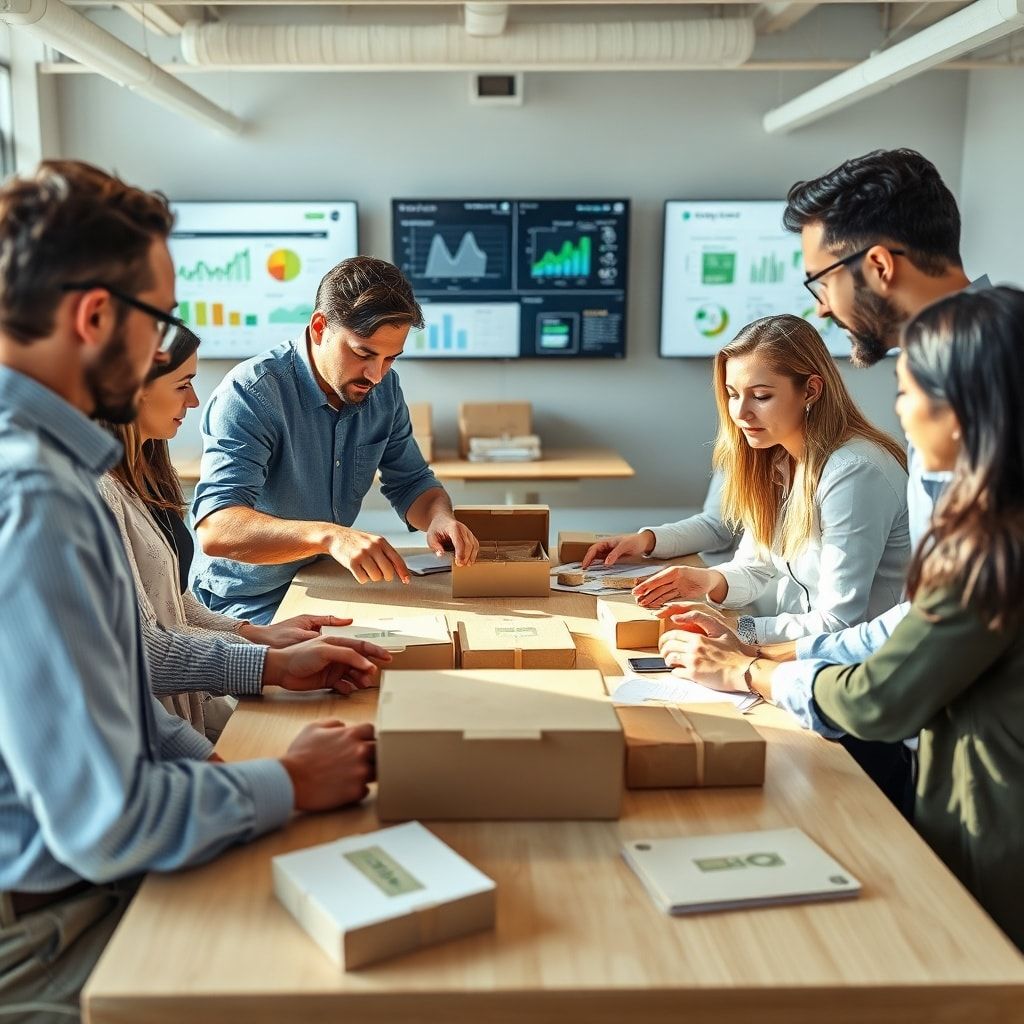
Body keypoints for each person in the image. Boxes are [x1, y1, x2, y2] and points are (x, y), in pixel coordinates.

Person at [0, 160, 389, 1021]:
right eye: (161, 319)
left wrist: (248, 762)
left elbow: (127, 675)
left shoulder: (58, 472)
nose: (166, 351)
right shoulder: (36, 495)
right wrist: (286, 784)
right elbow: (109, 821)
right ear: (96, 316)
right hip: (57, 928)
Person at [660, 288, 1024, 951]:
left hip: (989, 819)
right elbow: (890, 634)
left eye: (910, 394)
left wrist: (748, 669)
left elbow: (879, 691)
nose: (903, 416)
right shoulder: (987, 527)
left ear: (966, 410)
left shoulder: (987, 546)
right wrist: (750, 646)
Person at [98, 325, 366, 739]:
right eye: (183, 384)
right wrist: (268, 664)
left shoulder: (144, 469)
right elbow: (140, 649)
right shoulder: (97, 490)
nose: (194, 400)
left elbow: (168, 598)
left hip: (183, 706)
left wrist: (256, 634)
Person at [191, 256, 480, 624]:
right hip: (249, 603)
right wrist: (330, 537)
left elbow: (412, 483)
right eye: (363, 353)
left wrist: (439, 518)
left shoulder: (384, 388)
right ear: (318, 328)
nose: (376, 375)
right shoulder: (251, 393)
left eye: (391, 358)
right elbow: (217, 530)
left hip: (326, 581)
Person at [630, 315, 910, 647]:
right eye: (733, 394)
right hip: (798, 654)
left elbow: (839, 622)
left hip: (857, 668)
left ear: (811, 390)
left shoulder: (855, 472)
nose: (741, 413)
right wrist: (706, 581)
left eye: (761, 396)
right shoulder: (781, 457)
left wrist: (741, 631)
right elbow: (755, 566)